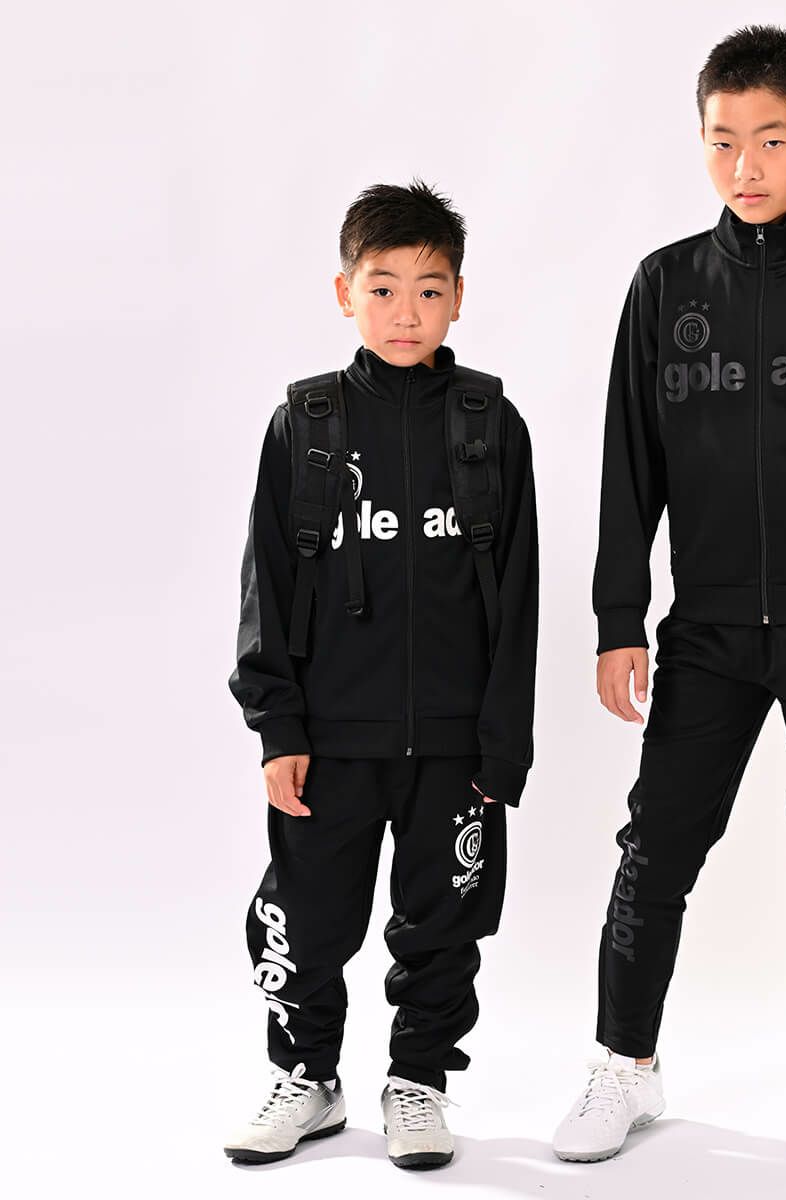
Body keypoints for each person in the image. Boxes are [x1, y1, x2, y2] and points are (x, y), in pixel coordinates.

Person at [551, 25, 786, 1175]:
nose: (745, 166)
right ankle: (625, 1064)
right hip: (707, 631)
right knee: (656, 848)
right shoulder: (665, 285)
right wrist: (620, 619)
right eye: (723, 141)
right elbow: (629, 464)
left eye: (771, 140)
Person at [223, 180, 538, 1169]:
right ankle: (307, 1076)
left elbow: (518, 600)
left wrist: (503, 745)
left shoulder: (490, 424)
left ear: (459, 298)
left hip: (453, 742)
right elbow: (267, 586)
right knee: (305, 921)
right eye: (384, 288)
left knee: (442, 924)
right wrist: (279, 728)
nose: (408, 312)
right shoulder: (306, 424)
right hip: (330, 737)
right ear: (344, 293)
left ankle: (418, 1082)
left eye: (430, 290)